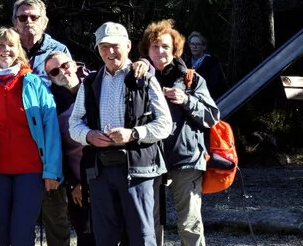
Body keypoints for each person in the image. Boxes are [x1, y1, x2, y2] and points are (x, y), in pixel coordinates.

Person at [69, 22, 172, 246]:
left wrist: (133, 134)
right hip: (100, 171)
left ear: (128, 46)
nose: (110, 52)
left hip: (138, 171)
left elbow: (165, 124)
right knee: (104, 238)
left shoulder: (145, 78)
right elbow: (74, 124)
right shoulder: (89, 83)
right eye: (104, 47)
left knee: (142, 237)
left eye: (115, 46)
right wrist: (89, 136)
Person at [0, 28, 62, 246]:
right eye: (0, 46)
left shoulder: (34, 84)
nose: (5, 50)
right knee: (2, 235)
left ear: (18, 50)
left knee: (22, 235)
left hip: (30, 171)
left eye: (11, 45)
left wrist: (52, 171)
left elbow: (51, 128)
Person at [141, 21, 220, 246]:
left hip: (186, 160)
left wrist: (186, 100)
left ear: (175, 49)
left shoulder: (191, 79)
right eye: (155, 46)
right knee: (150, 222)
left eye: (165, 46)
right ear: (147, 50)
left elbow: (213, 115)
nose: (160, 51)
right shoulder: (138, 78)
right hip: (148, 160)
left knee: (189, 223)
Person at [44, 51, 94, 246]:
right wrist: (73, 183)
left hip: (105, 173)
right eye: (55, 71)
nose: (62, 72)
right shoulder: (51, 104)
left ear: (74, 64)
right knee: (86, 234)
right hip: (77, 180)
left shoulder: (96, 83)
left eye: (65, 66)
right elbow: (57, 148)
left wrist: (142, 63)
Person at [11, 0, 71, 86]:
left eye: (34, 17)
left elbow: (70, 85)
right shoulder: (5, 51)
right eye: (23, 18)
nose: (28, 21)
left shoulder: (59, 50)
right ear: (15, 23)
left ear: (44, 23)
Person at [187, 31, 227, 98]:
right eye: (192, 44)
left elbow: (214, 85)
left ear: (204, 47)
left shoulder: (212, 63)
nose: (194, 46)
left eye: (198, 44)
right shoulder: (187, 62)